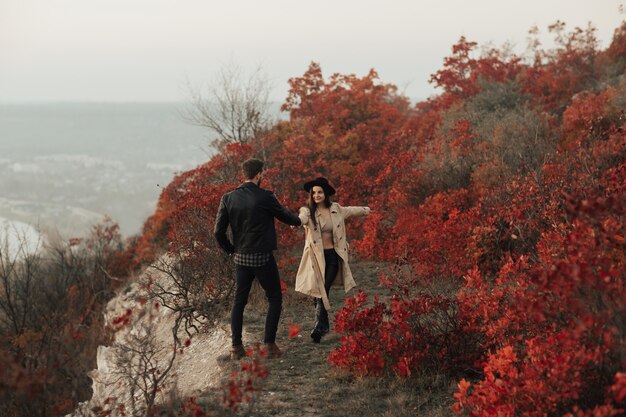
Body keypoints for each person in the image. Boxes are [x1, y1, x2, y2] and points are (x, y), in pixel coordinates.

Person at [214, 158, 302, 359]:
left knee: (239, 301)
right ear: (259, 174)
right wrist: (299, 221)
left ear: (243, 174)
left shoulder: (228, 198)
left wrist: (231, 250)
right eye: (262, 173)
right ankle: (270, 345)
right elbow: (285, 217)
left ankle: (236, 348)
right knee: (274, 297)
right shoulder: (265, 196)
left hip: (241, 258)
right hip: (262, 257)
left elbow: (218, 232)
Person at [294, 177, 370, 343]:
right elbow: (302, 218)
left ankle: (317, 327)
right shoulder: (307, 211)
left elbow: (352, 210)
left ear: (326, 193)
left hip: (333, 257)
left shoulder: (336, 209)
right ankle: (323, 326)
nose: (316, 195)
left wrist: (366, 210)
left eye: (320, 192)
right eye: (313, 193)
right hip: (316, 259)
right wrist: (296, 222)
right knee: (318, 294)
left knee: (323, 291)